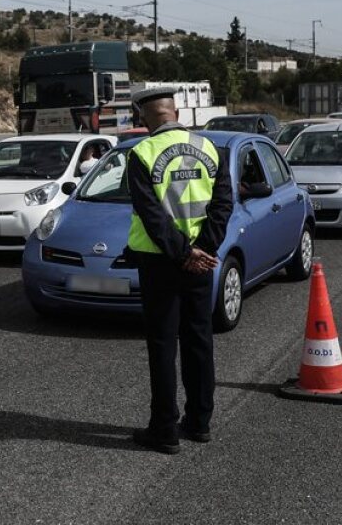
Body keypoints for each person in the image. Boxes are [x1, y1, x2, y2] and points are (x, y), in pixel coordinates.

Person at [124, 85, 233, 455]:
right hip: (201, 262)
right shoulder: (211, 149)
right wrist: (203, 251)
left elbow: (151, 215)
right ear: (177, 113)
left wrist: (183, 253)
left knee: (162, 345)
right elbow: (223, 205)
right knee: (199, 340)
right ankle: (200, 422)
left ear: (143, 118)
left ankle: (165, 429)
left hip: (159, 262)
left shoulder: (141, 153)